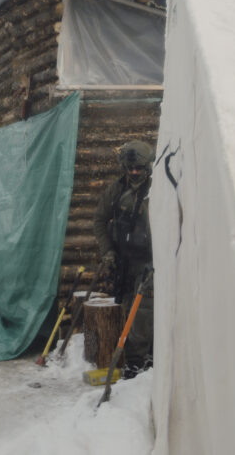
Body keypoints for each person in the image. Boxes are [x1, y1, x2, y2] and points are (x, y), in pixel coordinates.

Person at [92, 140, 155, 379]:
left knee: (143, 312)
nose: (134, 173)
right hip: (124, 262)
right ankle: (140, 358)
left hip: (149, 262)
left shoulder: (156, 190)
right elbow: (99, 220)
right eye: (130, 168)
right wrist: (108, 251)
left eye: (139, 168)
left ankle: (138, 361)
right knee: (128, 309)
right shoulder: (116, 191)